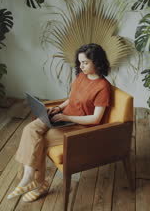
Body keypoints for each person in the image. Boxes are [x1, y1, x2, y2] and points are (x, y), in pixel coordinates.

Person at [7, 43, 112, 202]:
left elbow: (95, 119)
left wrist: (67, 118)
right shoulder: (82, 76)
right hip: (64, 116)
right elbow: (73, 98)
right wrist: (58, 108)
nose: (81, 66)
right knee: (30, 129)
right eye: (80, 62)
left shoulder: (103, 87)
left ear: (96, 62)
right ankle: (30, 177)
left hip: (79, 126)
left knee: (40, 139)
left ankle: (38, 183)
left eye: (85, 63)